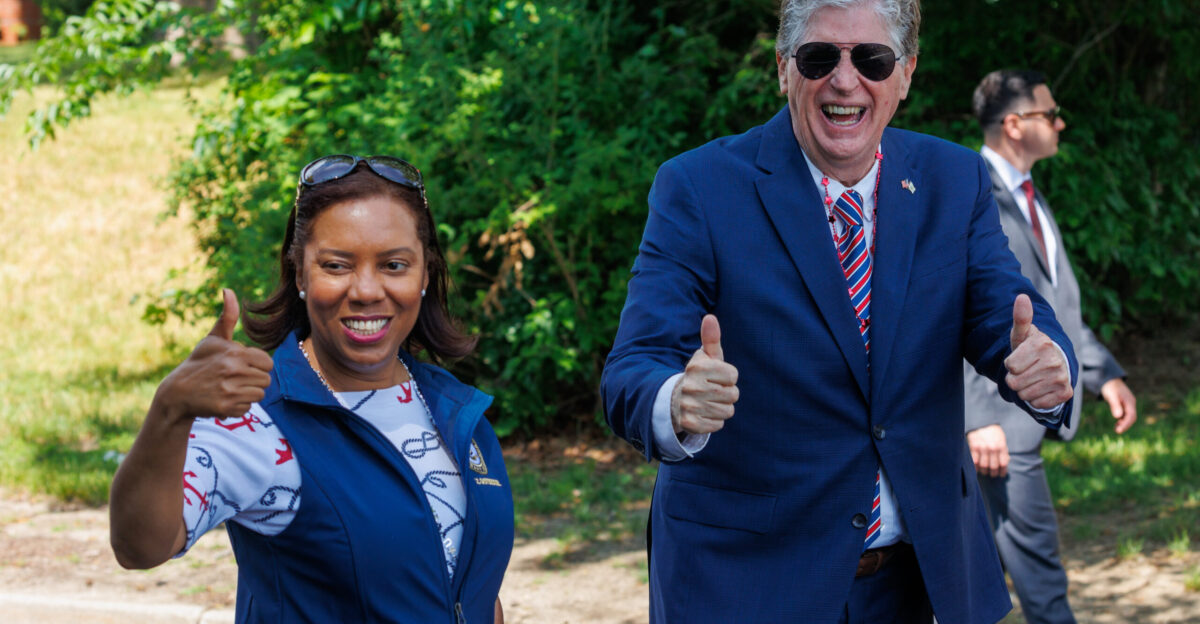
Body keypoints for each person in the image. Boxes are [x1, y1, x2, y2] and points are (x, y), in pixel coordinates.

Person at [600, 1, 1082, 622]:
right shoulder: (697, 186)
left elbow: (1003, 311)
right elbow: (633, 366)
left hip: (918, 581)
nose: (845, 80)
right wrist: (675, 402)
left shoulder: (953, 178)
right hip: (749, 582)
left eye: (873, 59)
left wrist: (1044, 360)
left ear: (905, 73)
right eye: (820, 56)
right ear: (783, 67)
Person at [109, 155, 513, 623]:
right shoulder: (258, 421)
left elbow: (474, 591)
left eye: (394, 265)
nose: (366, 289)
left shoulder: (455, 408)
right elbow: (138, 546)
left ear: (425, 273)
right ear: (300, 273)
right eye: (337, 265)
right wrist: (169, 412)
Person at [965, 70, 1137, 624]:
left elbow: (1053, 307)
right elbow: (955, 309)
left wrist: (1101, 371)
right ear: (1014, 124)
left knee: (974, 578)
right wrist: (977, 417)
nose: (1060, 123)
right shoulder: (970, 193)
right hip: (999, 429)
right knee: (1041, 581)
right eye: (1049, 113)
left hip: (1022, 418)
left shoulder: (1030, 196)